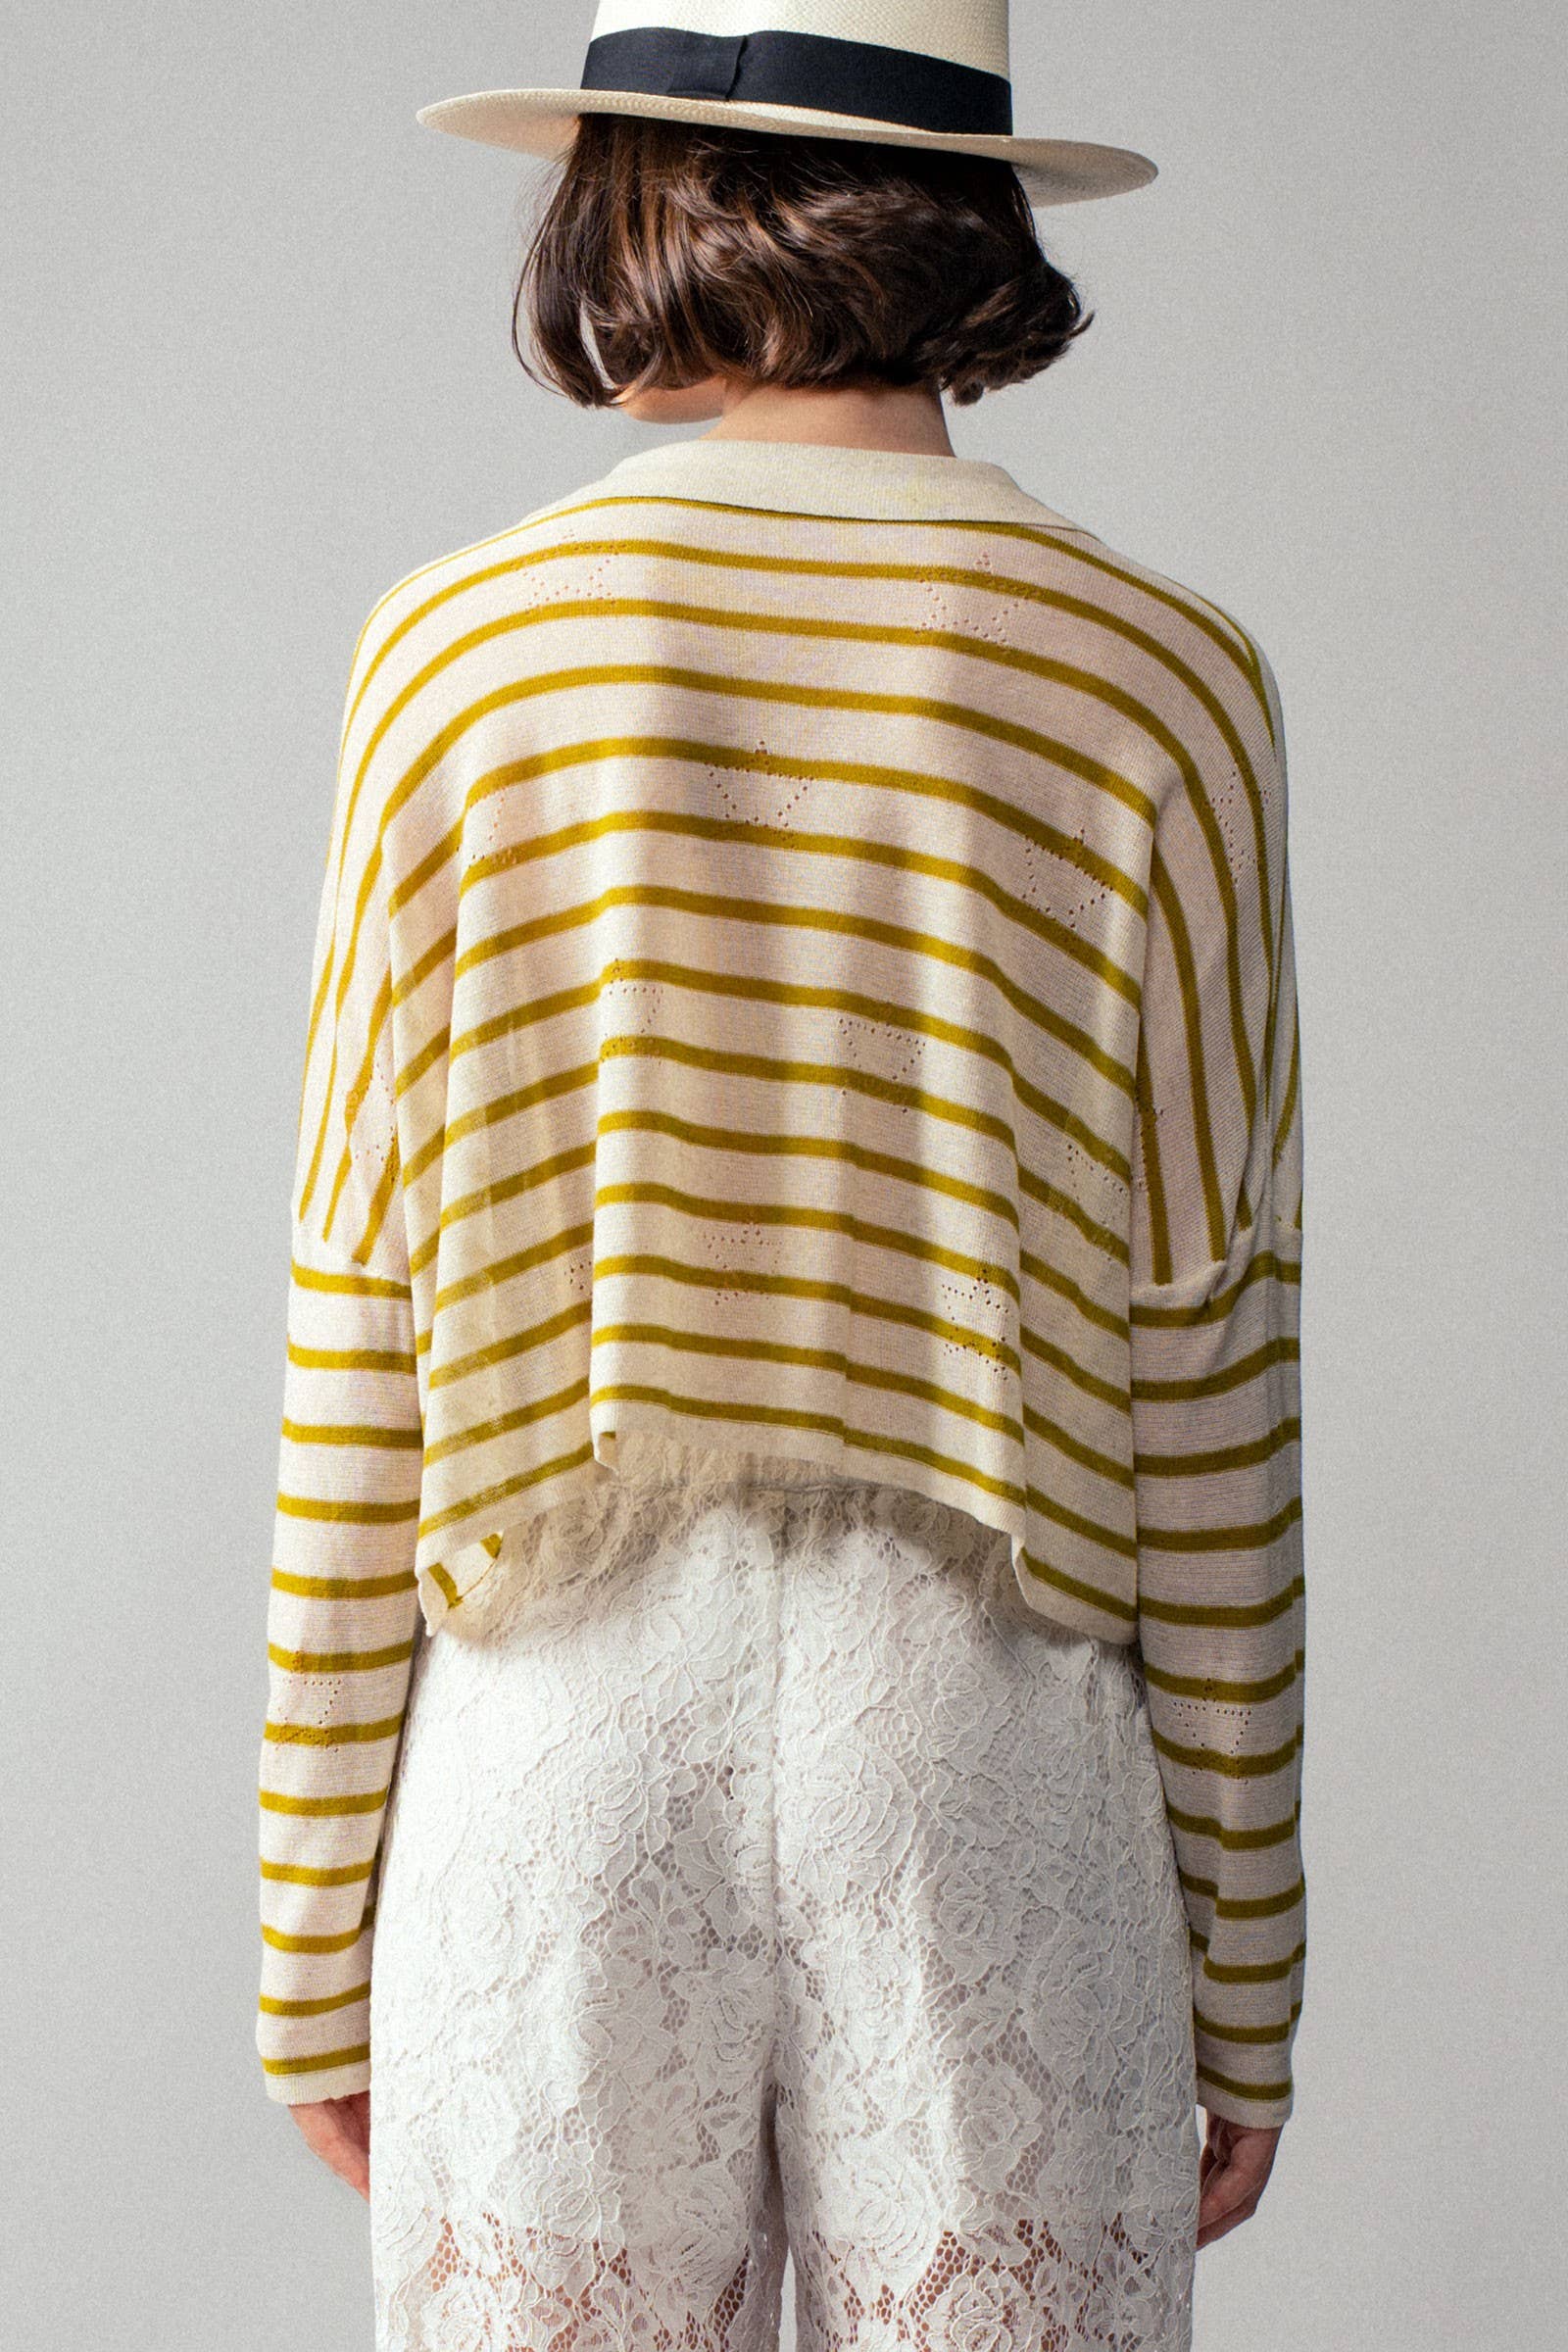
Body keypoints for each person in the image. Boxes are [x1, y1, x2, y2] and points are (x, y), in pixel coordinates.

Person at [255, 8, 1307, 2346]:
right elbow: (1204, 1343)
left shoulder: (453, 652)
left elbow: (366, 1306)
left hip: (552, 1718)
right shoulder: (1162, 672)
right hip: (985, 1735)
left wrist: (307, 1927)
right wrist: (1245, 1961)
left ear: (636, 198)